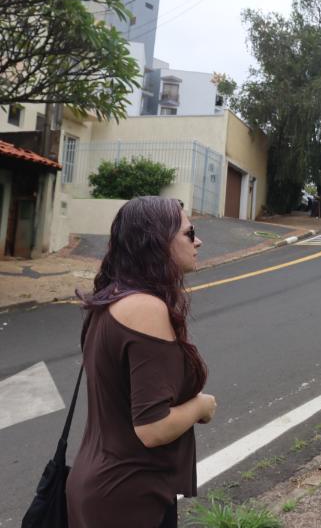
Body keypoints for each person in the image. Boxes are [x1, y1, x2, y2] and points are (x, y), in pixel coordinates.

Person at [66, 196, 217, 528]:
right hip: (127, 498)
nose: (199, 241)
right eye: (190, 233)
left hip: (104, 485)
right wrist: (201, 406)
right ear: (158, 242)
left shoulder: (112, 298)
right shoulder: (145, 308)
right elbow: (152, 427)